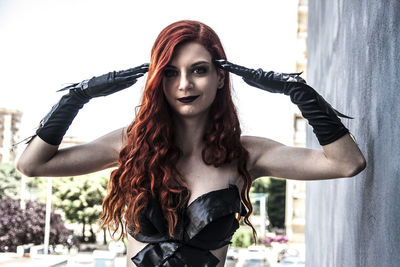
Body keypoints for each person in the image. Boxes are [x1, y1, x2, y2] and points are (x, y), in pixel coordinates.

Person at [17, 20, 366, 267]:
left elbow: (346, 163)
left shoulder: (247, 155)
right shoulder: (129, 144)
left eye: (198, 70)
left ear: (219, 77)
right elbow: (32, 165)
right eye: (170, 72)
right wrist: (78, 96)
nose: (184, 84)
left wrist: (298, 92)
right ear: (158, 80)